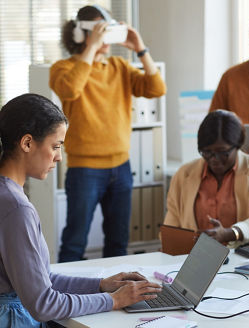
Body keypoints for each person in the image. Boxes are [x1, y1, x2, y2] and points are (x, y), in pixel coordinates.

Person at [0, 93, 161, 327]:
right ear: (27, 143)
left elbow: (38, 280)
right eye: (55, 146)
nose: (59, 157)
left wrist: (100, 285)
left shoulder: (7, 196)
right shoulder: (16, 208)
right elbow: (44, 304)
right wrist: (113, 300)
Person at [49, 5, 166, 262]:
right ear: (81, 34)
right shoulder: (63, 68)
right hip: (85, 170)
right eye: (99, 31)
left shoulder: (119, 66)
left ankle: (116, 297)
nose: (105, 38)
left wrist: (140, 48)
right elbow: (70, 90)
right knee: (74, 242)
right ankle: (65, 299)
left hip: (121, 168)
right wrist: (91, 47)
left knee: (118, 243)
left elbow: (157, 89)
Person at [163, 110, 249, 245]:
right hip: (194, 258)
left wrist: (231, 233)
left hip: (239, 256)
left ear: (238, 145)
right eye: (207, 152)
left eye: (222, 152)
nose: (214, 159)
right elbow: (171, 227)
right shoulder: (185, 174)